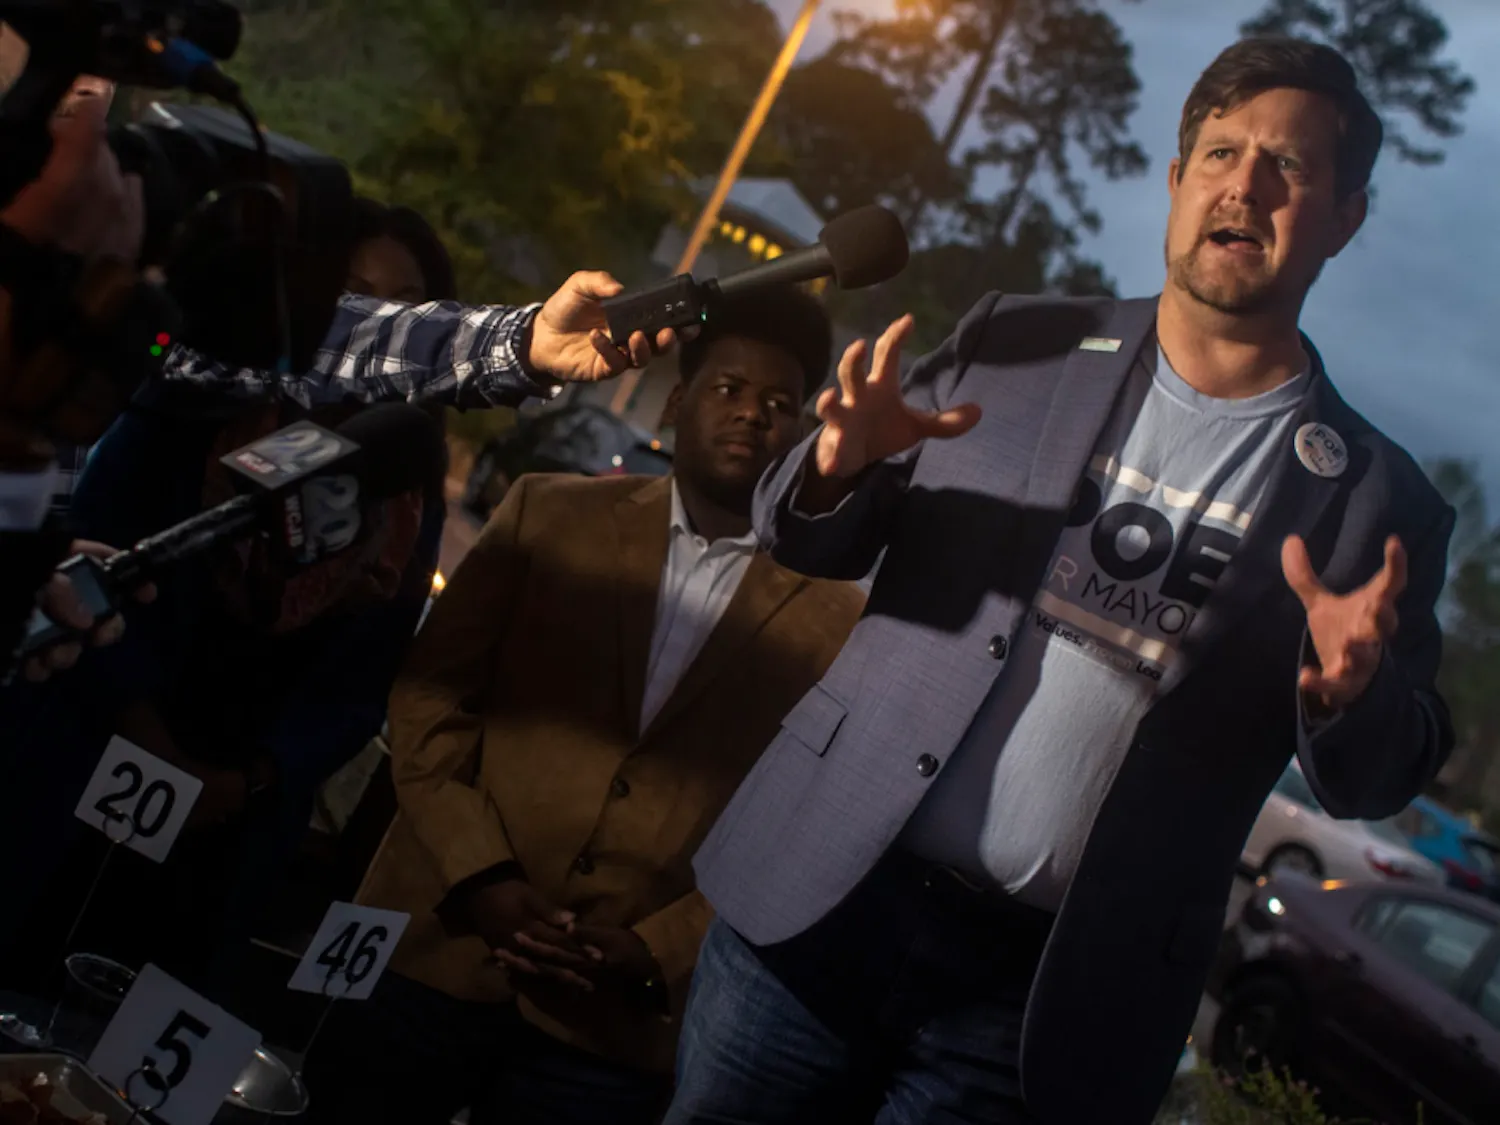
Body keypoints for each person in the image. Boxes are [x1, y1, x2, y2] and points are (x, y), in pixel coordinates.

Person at [664, 37, 1455, 1125]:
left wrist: (1352, 694)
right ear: (1177, 184)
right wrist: (838, 468)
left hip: (1043, 1002)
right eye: (1221, 152)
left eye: (1291, 167)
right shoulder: (1018, 340)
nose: (1246, 186)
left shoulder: (1382, 502)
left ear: (1345, 217)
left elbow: (1385, 773)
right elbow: (798, 537)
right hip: (824, 899)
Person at [301, 287, 867, 1125]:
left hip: (616, 1024)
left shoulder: (836, 621)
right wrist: (481, 878)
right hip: (432, 942)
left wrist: (657, 950)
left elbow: (799, 827)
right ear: (676, 401)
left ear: (805, 434)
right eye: (727, 389)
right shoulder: (547, 512)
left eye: (779, 403)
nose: (752, 415)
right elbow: (428, 701)